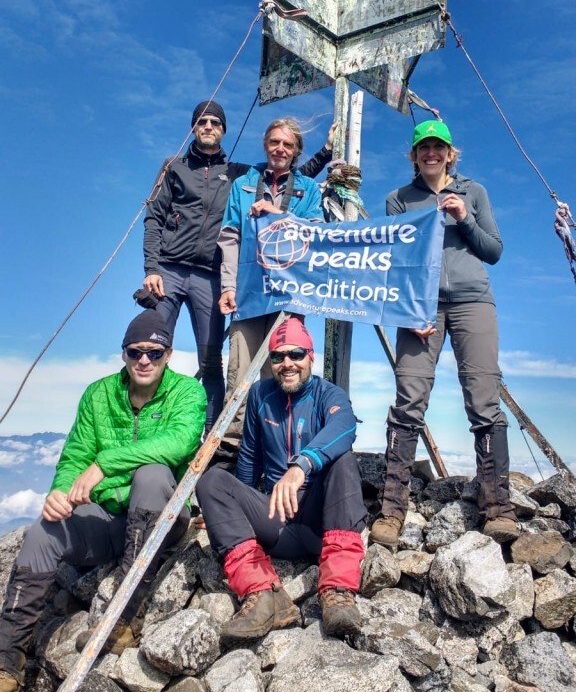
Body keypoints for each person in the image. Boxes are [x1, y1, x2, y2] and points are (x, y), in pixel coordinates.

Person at [0, 311, 206, 692]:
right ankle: (6, 665)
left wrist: (107, 463)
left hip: (162, 520)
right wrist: (60, 493)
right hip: (110, 522)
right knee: (43, 533)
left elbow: (181, 444)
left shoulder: (187, 393)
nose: (144, 360)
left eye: (155, 352)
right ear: (124, 354)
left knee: (151, 474)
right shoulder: (98, 394)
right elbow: (75, 455)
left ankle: (127, 616)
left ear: (167, 355)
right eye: (135, 351)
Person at [370, 119, 519, 549]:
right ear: (413, 156)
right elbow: (395, 261)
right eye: (423, 148)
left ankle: (498, 508)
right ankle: (392, 509)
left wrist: (464, 217)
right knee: (409, 399)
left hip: (474, 301)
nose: (431, 153)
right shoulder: (398, 200)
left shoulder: (474, 192)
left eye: (439, 147)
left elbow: (493, 250)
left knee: (483, 396)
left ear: (451, 153)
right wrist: (405, 309)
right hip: (420, 307)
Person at [142, 101, 335, 429]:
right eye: (202, 121)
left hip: (249, 285)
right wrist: (151, 269)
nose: (208, 126)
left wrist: (328, 151)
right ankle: (201, 437)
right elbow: (158, 218)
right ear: (194, 127)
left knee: (237, 363)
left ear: (224, 129)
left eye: (215, 122)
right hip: (190, 275)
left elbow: (298, 184)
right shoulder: (198, 171)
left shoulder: (239, 173)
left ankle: (251, 437)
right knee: (152, 348)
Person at [196, 318, 366, 643]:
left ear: (310, 357)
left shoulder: (329, 394)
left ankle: (338, 592)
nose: (287, 363)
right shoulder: (261, 394)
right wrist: (228, 513)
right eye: (278, 356)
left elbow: (344, 426)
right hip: (276, 522)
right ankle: (264, 596)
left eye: (296, 354)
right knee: (211, 483)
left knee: (343, 459)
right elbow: (248, 458)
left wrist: (301, 466)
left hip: (320, 522)